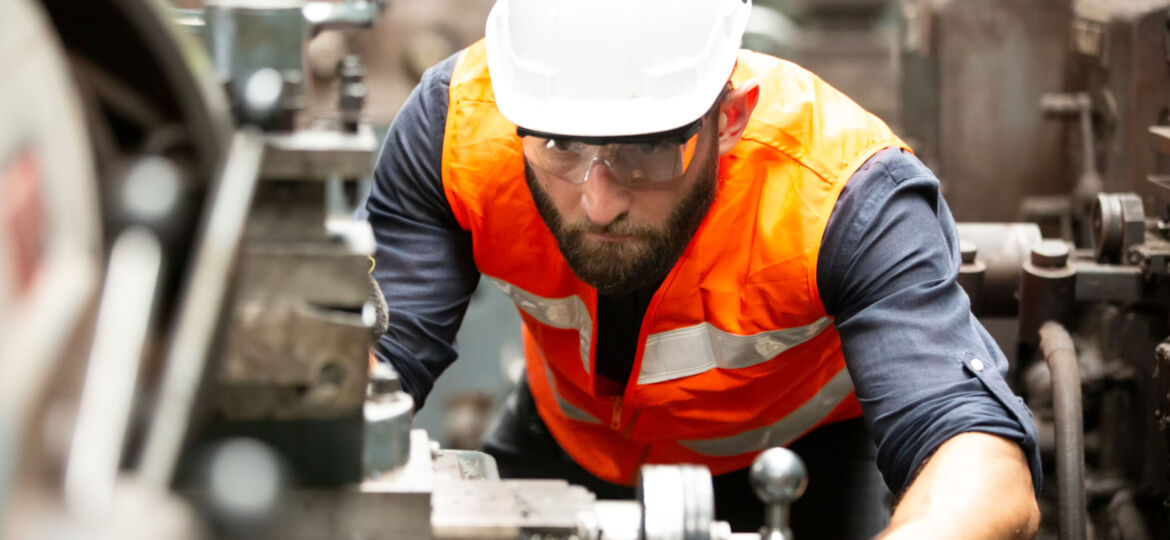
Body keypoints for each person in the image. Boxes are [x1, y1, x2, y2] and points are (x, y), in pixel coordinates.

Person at [357, 0, 1041, 537]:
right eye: (560, 145)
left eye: (648, 151)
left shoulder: (846, 195)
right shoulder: (458, 131)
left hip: (798, 467)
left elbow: (981, 465)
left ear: (732, 116)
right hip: (566, 443)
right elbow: (378, 361)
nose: (598, 201)